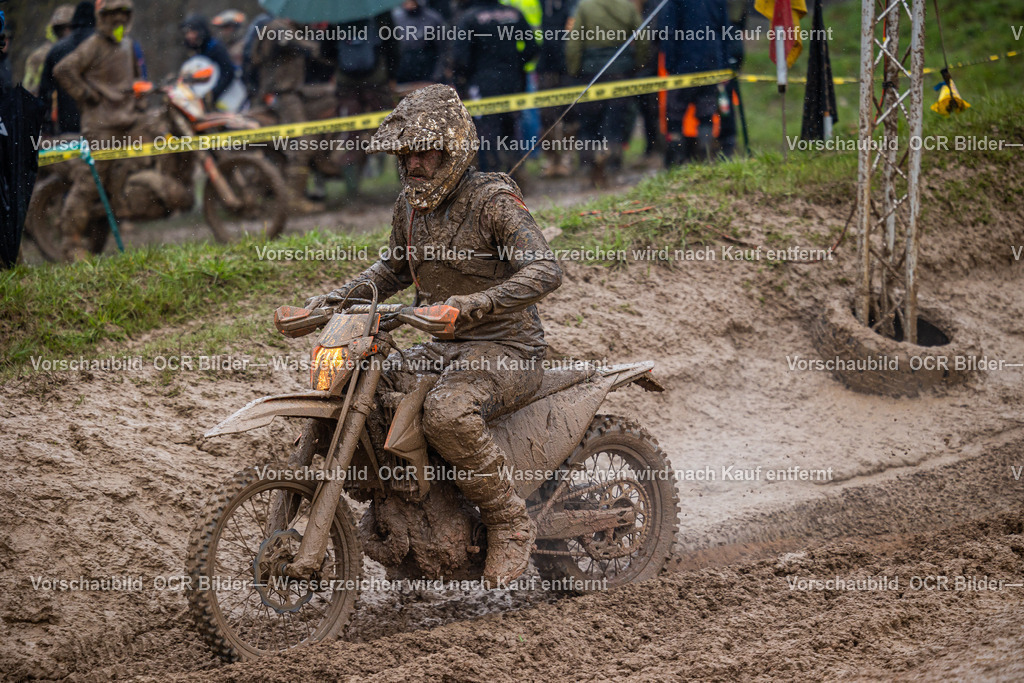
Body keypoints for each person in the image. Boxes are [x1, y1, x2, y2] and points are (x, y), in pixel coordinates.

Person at [305, 85, 562, 588]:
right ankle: (402, 504)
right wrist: (330, 302)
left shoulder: (492, 201)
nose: (414, 164)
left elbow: (545, 270)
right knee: (362, 386)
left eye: (423, 152)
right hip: (441, 345)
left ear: (452, 148)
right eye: (405, 155)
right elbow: (392, 269)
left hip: (508, 348)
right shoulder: (410, 207)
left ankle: (508, 519)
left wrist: (474, 303)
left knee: (446, 412)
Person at [53, 0, 141, 260]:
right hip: (100, 126)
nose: (119, 19)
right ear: (103, 16)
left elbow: (134, 78)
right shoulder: (93, 44)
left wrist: (140, 97)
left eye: (124, 13)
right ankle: (70, 242)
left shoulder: (127, 44)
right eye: (113, 13)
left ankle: (122, 219)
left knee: (124, 175)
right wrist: (86, 94)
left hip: (126, 121)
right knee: (89, 183)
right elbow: (63, 69)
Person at [451, 0, 538, 174]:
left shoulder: (469, 18)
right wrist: (515, 65)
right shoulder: (513, 13)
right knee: (511, 127)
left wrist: (463, 80)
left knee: (486, 130)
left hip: (483, 83)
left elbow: (460, 58)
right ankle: (515, 172)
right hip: (512, 81)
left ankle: (491, 174)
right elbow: (532, 48)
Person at [566, 0, 647, 186]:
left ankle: (587, 169)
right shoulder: (627, 6)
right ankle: (612, 168)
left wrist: (574, 70)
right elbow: (643, 37)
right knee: (615, 123)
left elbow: (574, 42)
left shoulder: (584, 6)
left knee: (588, 123)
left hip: (590, 73)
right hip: (620, 71)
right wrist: (638, 64)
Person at [250, 16, 323, 212]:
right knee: (304, 141)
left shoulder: (283, 28)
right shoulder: (278, 28)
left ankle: (276, 192)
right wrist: (322, 46)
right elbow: (304, 46)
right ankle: (293, 198)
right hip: (282, 95)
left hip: (285, 93)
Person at [659, 0, 734, 165]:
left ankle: (675, 162)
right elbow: (726, 31)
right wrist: (724, 65)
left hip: (683, 65)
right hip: (711, 63)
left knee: (675, 117)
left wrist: (670, 64)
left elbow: (669, 31)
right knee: (706, 115)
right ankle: (704, 157)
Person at [38, 2, 96, 136]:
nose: (63, 33)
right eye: (59, 30)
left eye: (65, 28)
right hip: (101, 124)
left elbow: (45, 93)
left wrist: (46, 127)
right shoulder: (104, 46)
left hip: (69, 126)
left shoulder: (56, 50)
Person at [180, 13, 238, 109]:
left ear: (201, 31)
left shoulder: (215, 48)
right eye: (187, 33)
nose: (189, 36)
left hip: (227, 100)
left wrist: (212, 94)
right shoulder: (195, 52)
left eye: (193, 32)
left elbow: (228, 73)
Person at [23, 5, 75, 96]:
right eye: (62, 28)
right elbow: (29, 92)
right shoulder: (39, 57)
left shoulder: (81, 53)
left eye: (70, 28)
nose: (66, 32)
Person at [390, 0, 446, 85]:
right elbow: (390, 47)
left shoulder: (432, 18)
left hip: (426, 70)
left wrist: (437, 74)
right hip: (402, 70)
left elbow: (442, 48)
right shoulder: (395, 17)